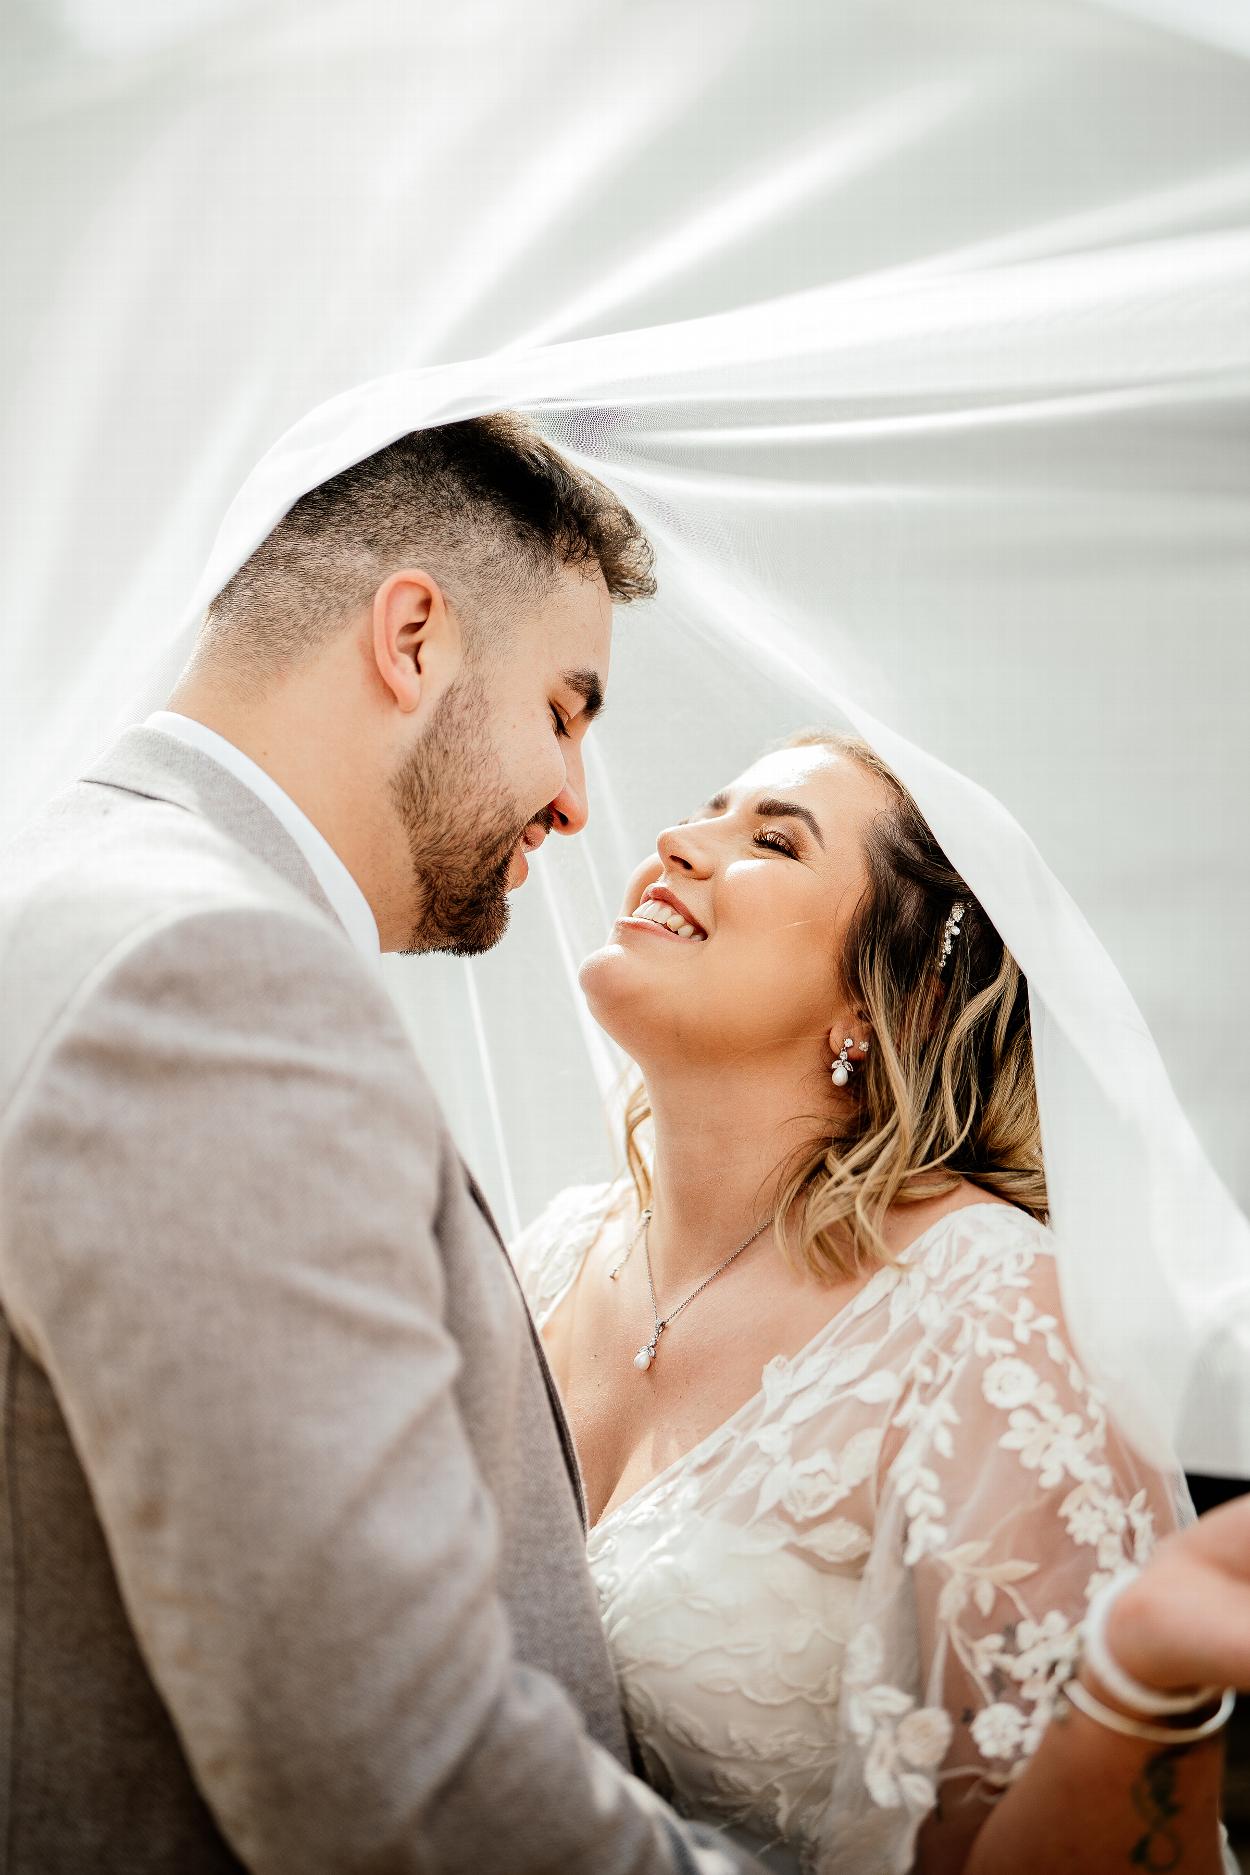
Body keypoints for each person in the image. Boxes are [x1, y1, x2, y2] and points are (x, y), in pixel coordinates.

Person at [0, 414, 761, 1873]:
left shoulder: (66, 885)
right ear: (413, 636)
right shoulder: (211, 975)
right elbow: (392, 1770)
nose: (576, 799)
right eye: (564, 707)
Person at [513, 729, 1248, 1874]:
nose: (673, 842)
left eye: (770, 838)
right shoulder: (549, 1253)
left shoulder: (993, 1313)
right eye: (706, 809)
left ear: (876, 998)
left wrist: (1144, 1678)